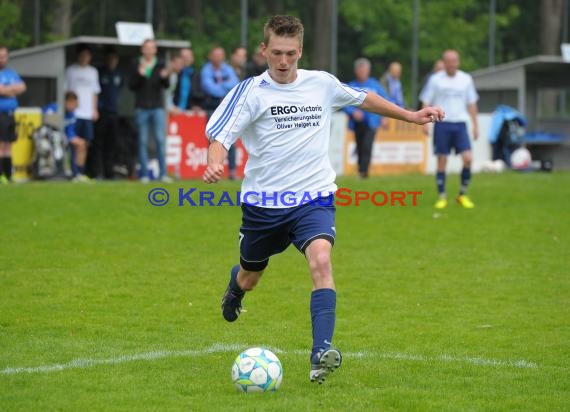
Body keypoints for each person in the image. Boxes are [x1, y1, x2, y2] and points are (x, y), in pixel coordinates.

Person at [202, 15, 444, 384]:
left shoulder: (321, 84)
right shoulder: (250, 92)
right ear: (264, 50)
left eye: (290, 54)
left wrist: (411, 116)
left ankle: (321, 353)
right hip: (264, 205)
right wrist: (215, 164)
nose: (282, 62)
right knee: (251, 274)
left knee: (321, 262)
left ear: (300, 51)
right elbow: (219, 136)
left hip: (313, 198)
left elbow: (364, 98)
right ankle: (235, 288)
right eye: (276, 53)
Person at [420, 49, 479, 209]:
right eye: (449, 61)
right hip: (442, 124)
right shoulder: (435, 80)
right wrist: (425, 123)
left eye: (454, 61)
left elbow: (472, 103)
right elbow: (426, 101)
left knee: (468, 158)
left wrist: (475, 125)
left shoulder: (466, 79)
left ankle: (462, 195)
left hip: (460, 124)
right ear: (444, 63)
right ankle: (442, 197)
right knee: (442, 160)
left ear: (458, 62)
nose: (452, 64)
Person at [128, 39, 171, 183]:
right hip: (141, 108)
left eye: (152, 48)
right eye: (146, 48)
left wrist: (165, 78)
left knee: (160, 140)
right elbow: (131, 86)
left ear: (155, 50)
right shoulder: (135, 64)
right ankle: (144, 175)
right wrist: (139, 75)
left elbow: (166, 85)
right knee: (143, 141)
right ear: (142, 49)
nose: (149, 50)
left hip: (157, 107)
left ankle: (163, 174)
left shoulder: (159, 64)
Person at [344, 58, 389, 178]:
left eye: (364, 70)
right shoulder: (352, 86)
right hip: (357, 123)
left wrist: (384, 117)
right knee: (359, 146)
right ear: (356, 71)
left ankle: (364, 172)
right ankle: (361, 169)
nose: (362, 72)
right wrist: (353, 112)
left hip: (372, 122)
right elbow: (344, 103)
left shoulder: (375, 85)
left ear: (368, 71)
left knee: (367, 145)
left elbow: (385, 101)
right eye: (360, 70)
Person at [201, 46, 239, 179]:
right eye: (215, 55)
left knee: (231, 140)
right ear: (211, 56)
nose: (218, 58)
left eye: (220, 55)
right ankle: (212, 169)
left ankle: (232, 171)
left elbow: (235, 83)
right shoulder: (206, 70)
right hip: (212, 108)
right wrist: (225, 89)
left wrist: (219, 88)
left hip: (227, 109)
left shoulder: (227, 69)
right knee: (213, 139)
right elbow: (209, 88)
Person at [65, 44, 100, 171]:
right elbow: (66, 91)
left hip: (87, 113)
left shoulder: (93, 72)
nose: (84, 58)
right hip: (74, 114)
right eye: (82, 55)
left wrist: (94, 109)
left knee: (85, 144)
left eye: (87, 55)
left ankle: (80, 171)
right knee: (74, 143)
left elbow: (95, 92)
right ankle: (72, 170)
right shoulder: (70, 71)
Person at [94, 48, 124, 179]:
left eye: (114, 59)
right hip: (101, 113)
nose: (112, 62)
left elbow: (120, 90)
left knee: (112, 144)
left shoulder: (119, 74)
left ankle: (110, 172)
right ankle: (98, 172)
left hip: (114, 113)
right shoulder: (100, 73)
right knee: (98, 143)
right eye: (110, 59)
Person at [0, 45, 26, 184]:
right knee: (1, 145)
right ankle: (0, 175)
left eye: (4, 56)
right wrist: (12, 90)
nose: (2, 59)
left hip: (11, 115)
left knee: (8, 144)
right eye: (0, 56)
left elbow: (22, 87)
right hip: (0, 114)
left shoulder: (11, 73)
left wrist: (7, 90)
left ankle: (8, 174)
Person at [64, 91, 90, 182]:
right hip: (55, 138)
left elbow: (70, 131)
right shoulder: (55, 109)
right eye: (74, 103)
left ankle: (79, 173)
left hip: (66, 138)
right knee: (76, 144)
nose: (75, 106)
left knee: (82, 143)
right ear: (67, 102)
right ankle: (74, 173)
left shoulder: (72, 114)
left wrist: (73, 138)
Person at [172, 48, 203, 113]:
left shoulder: (198, 75)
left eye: (187, 57)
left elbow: (202, 93)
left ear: (192, 59)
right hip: (174, 110)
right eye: (183, 57)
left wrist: (198, 105)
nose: (185, 59)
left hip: (192, 110)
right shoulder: (174, 74)